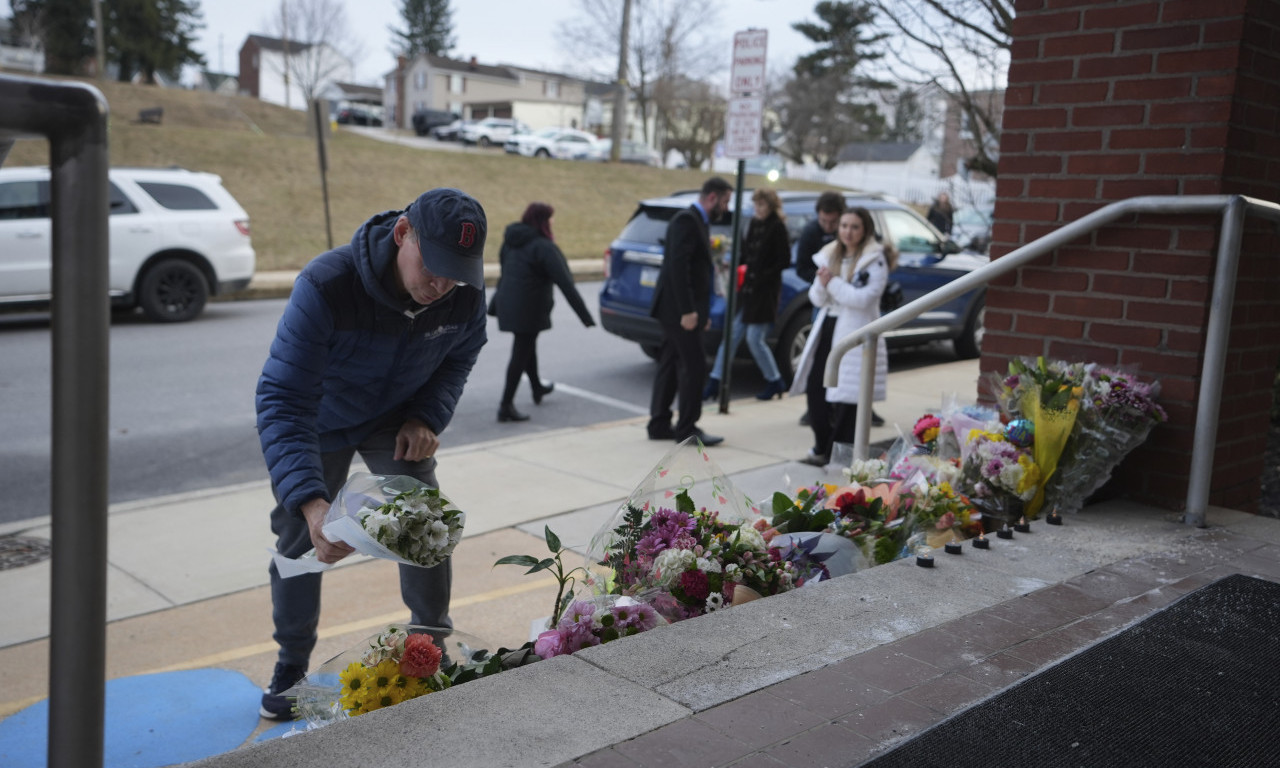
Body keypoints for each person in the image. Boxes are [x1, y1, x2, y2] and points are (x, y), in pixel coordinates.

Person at [255, 188, 489, 720]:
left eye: (457, 272)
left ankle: (429, 649)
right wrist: (312, 503)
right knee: (300, 540)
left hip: (397, 416)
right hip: (320, 417)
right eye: (433, 268)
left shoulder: (464, 292)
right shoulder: (327, 284)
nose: (442, 285)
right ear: (403, 233)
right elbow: (282, 398)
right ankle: (291, 664)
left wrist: (428, 416)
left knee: (425, 522)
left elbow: (461, 355)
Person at [790, 207, 896, 467]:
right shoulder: (830, 255)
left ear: (866, 230)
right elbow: (816, 297)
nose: (848, 232)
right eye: (844, 225)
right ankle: (822, 448)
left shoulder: (875, 260)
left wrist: (832, 284)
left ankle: (837, 457)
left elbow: (862, 299)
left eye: (855, 227)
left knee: (848, 399)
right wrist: (824, 283)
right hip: (827, 328)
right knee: (816, 391)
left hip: (854, 334)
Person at [647, 176, 733, 446]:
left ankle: (659, 424)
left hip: (678, 308)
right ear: (712, 197)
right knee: (695, 365)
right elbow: (678, 267)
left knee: (670, 362)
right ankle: (687, 428)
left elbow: (696, 271)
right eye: (725, 201)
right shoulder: (687, 221)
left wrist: (702, 312)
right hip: (677, 309)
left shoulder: (697, 222)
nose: (726, 207)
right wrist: (688, 311)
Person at [492, 202, 595, 423]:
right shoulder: (543, 247)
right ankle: (505, 405)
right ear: (542, 220)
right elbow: (565, 282)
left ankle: (537, 387)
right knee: (521, 352)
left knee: (527, 345)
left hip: (508, 303)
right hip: (528, 308)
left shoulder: (510, 241)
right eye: (550, 218)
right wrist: (586, 317)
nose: (553, 221)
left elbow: (504, 271)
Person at [703, 187, 791, 402]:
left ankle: (774, 380)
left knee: (754, 339)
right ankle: (715, 380)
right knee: (731, 336)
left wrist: (761, 275)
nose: (758, 209)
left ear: (771, 207)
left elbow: (784, 260)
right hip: (747, 291)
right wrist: (732, 264)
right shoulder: (752, 224)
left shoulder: (777, 227)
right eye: (756, 205)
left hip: (764, 293)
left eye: (761, 205)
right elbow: (744, 253)